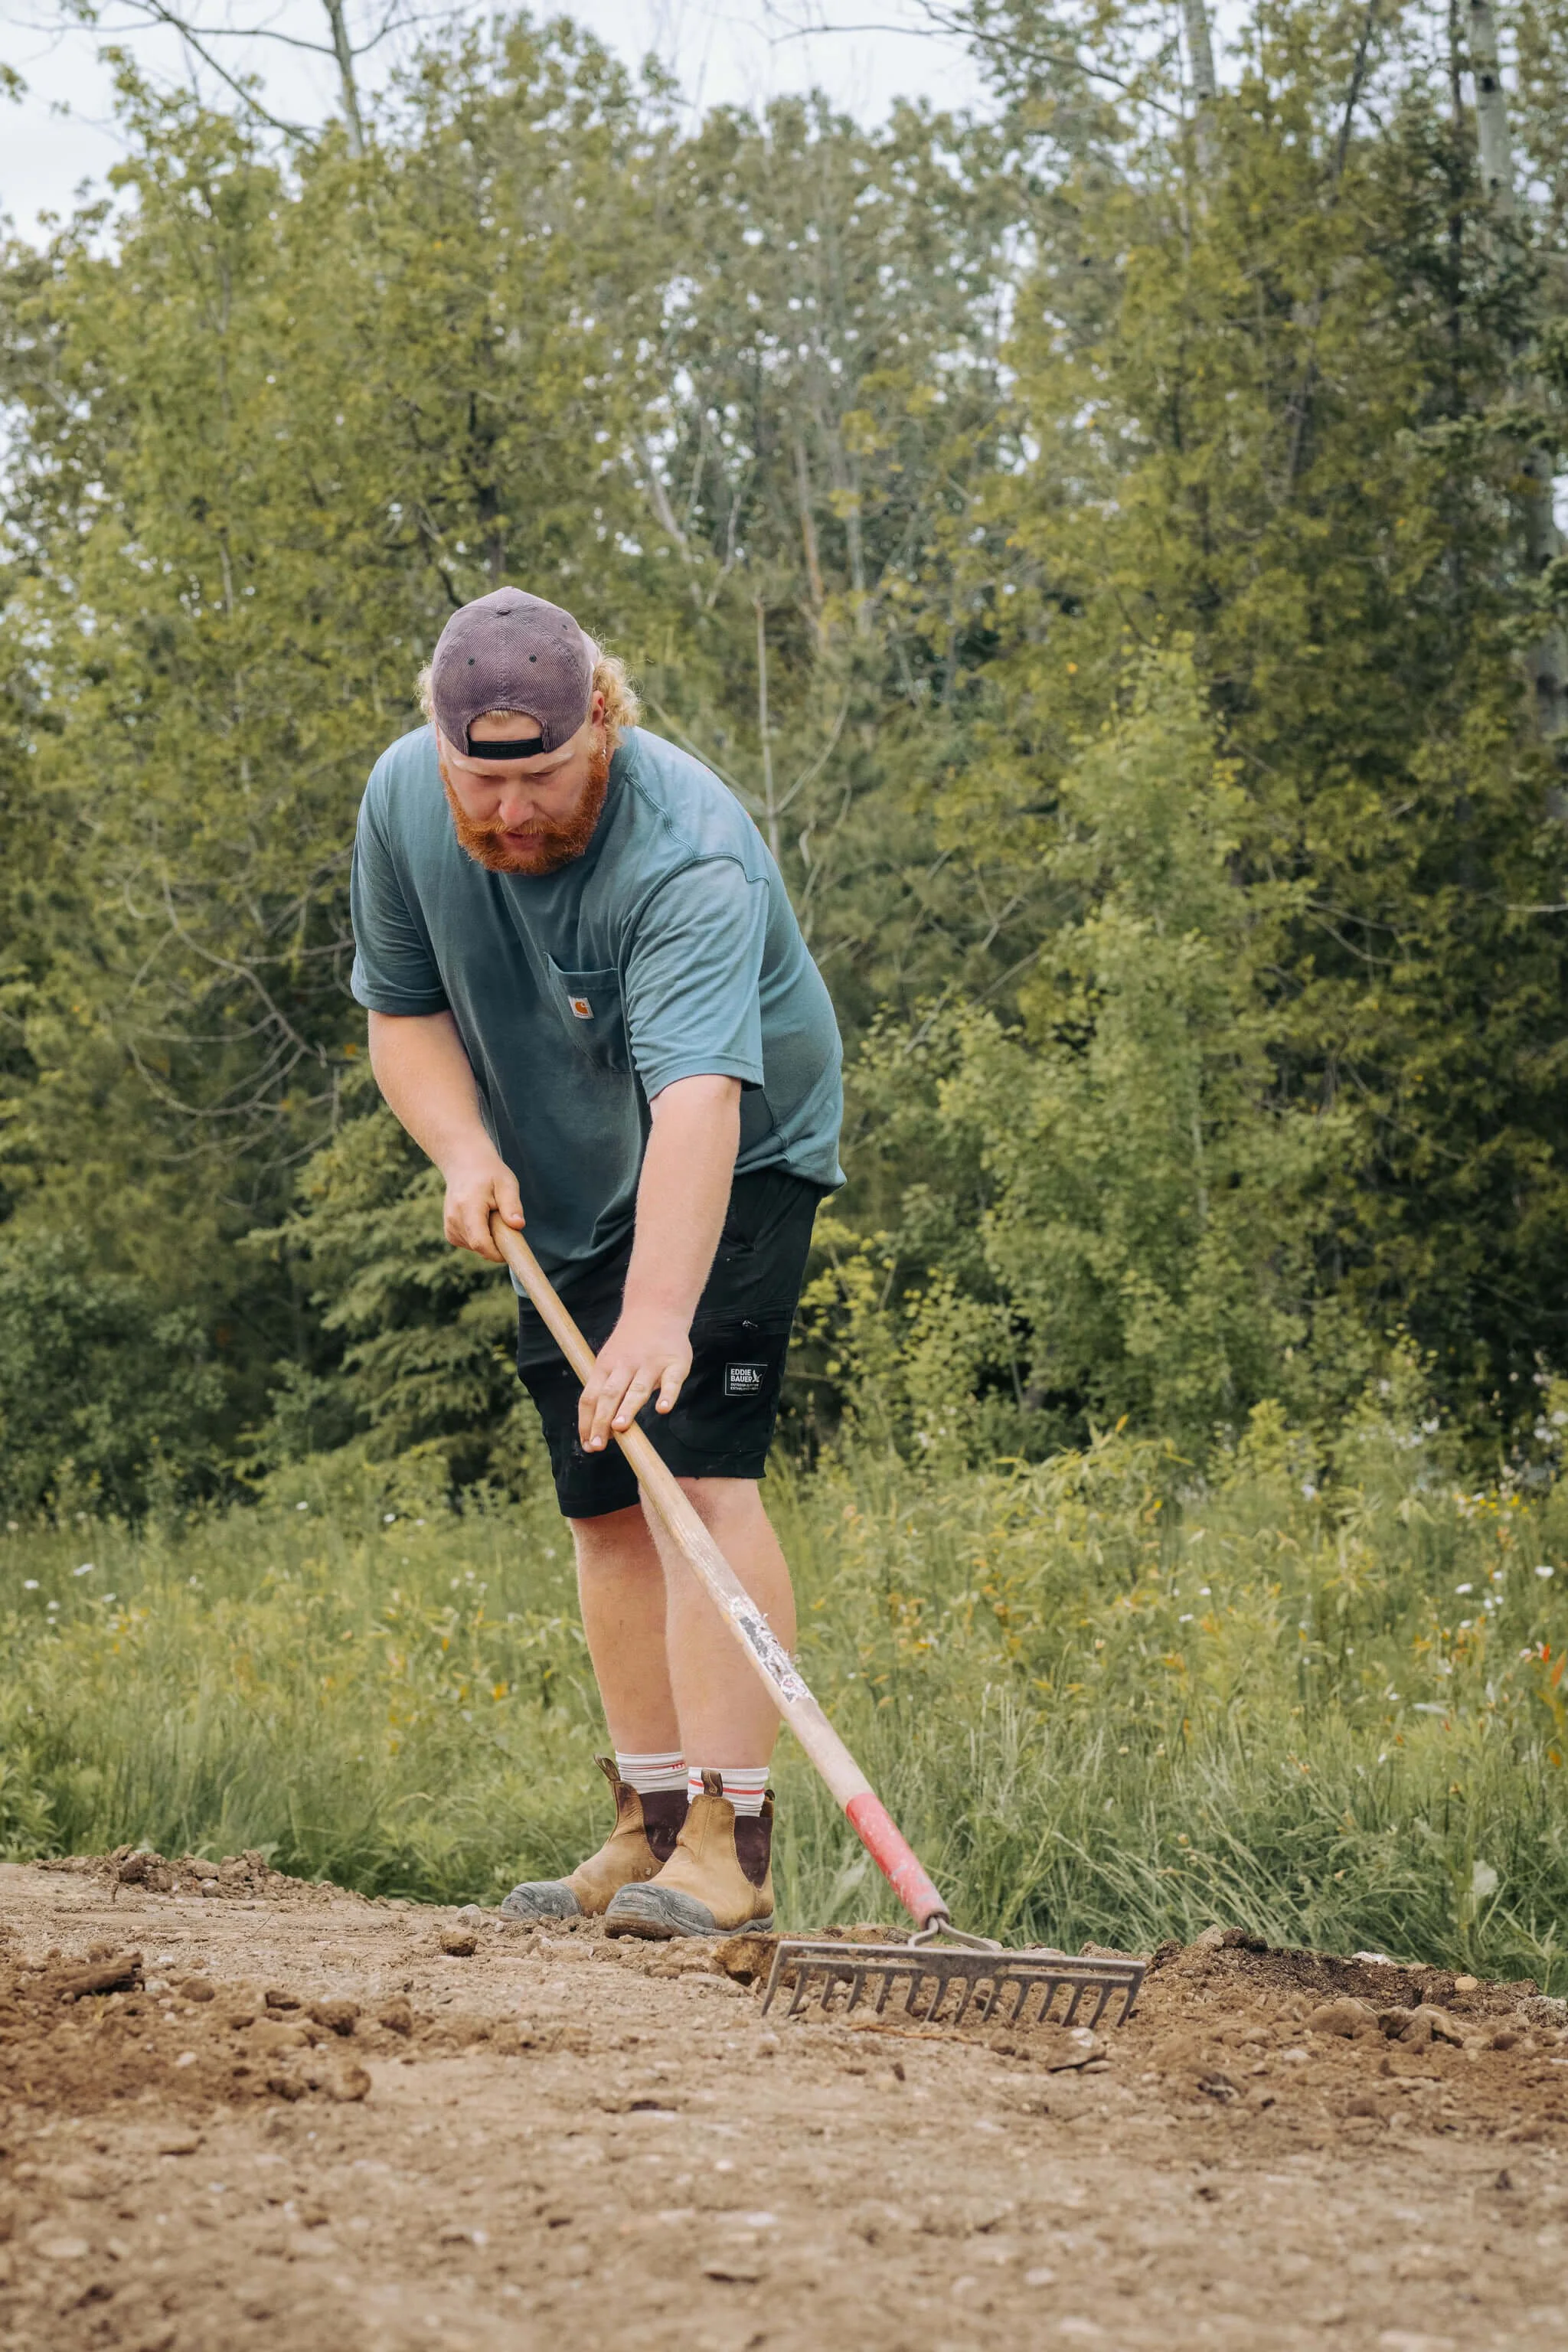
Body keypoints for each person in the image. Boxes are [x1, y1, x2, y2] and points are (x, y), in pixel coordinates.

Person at [348, 586, 842, 1938]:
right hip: (552, 1173)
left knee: (694, 1468)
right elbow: (402, 1015)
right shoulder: (402, 800)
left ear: (604, 726)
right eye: (481, 783)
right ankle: (649, 1829)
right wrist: (462, 1151)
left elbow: (699, 1100)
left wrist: (663, 1315)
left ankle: (732, 1857)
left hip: (731, 1150)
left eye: (543, 780)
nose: (510, 816)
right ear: (442, 749)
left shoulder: (691, 854)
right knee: (601, 1500)